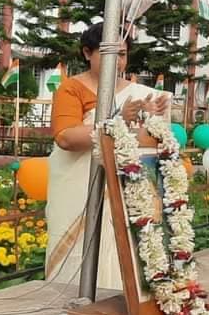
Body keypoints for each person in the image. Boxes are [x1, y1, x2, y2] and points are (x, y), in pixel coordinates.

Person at [45, 23, 170, 290]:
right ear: (87, 53)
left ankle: (125, 303)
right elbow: (66, 137)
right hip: (80, 194)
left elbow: (152, 145)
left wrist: (150, 117)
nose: (118, 61)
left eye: (122, 54)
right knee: (80, 254)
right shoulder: (72, 89)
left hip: (128, 190)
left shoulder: (139, 95)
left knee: (125, 245)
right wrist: (117, 121)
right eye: (108, 53)